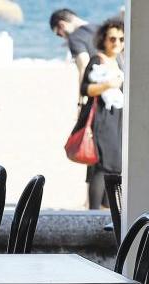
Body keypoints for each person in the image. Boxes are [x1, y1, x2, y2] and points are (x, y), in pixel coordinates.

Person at [75, 19, 124, 209]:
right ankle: (93, 211)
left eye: (121, 39)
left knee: (115, 165)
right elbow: (85, 88)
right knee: (101, 165)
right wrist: (107, 85)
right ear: (104, 39)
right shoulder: (98, 59)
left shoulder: (120, 60)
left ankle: (106, 210)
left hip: (118, 119)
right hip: (102, 119)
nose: (117, 43)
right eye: (112, 39)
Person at [49, 9, 98, 110]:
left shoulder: (75, 38)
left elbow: (84, 66)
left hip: (97, 92)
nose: (62, 37)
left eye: (58, 34)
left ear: (62, 25)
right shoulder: (100, 29)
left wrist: (81, 101)